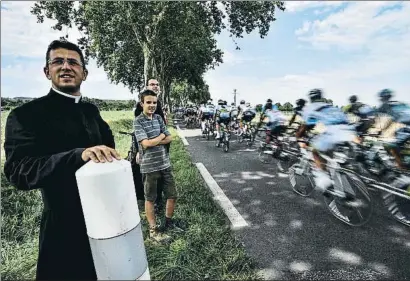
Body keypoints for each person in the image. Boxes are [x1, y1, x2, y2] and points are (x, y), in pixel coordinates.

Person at [3, 39, 121, 280]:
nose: (66, 66)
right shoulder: (25, 116)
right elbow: (19, 171)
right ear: (47, 71)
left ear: (84, 73)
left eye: (73, 62)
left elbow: (109, 148)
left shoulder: (91, 111)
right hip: (62, 228)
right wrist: (78, 155)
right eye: (58, 61)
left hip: (105, 219)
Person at [134, 89, 181, 242]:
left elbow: (170, 138)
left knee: (172, 195)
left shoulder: (159, 118)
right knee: (150, 199)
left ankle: (168, 223)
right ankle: (153, 231)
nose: (152, 105)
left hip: (164, 163)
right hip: (149, 167)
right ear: (142, 103)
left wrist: (156, 139)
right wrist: (160, 136)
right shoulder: (138, 121)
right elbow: (146, 144)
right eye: (148, 102)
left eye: (154, 102)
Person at [297, 89, 357, 195]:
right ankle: (336, 178)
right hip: (348, 131)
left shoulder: (310, 108)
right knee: (328, 155)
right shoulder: (330, 106)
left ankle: (323, 179)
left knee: (314, 150)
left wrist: (299, 137)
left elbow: (304, 126)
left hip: (333, 132)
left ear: (310, 98)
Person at [134, 78, 168, 212]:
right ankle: (150, 201)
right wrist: (138, 150)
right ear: (147, 86)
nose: (155, 86)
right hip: (148, 147)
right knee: (150, 175)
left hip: (162, 146)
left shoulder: (158, 103)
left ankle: (159, 199)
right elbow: (136, 132)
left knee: (161, 172)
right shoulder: (140, 106)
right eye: (152, 84)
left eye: (157, 84)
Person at [376, 89, 410, 169]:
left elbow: (385, 122)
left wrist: (379, 131)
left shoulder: (384, 106)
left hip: (403, 127)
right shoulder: (400, 103)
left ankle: (400, 166)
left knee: (392, 144)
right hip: (405, 126)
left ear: (382, 98)